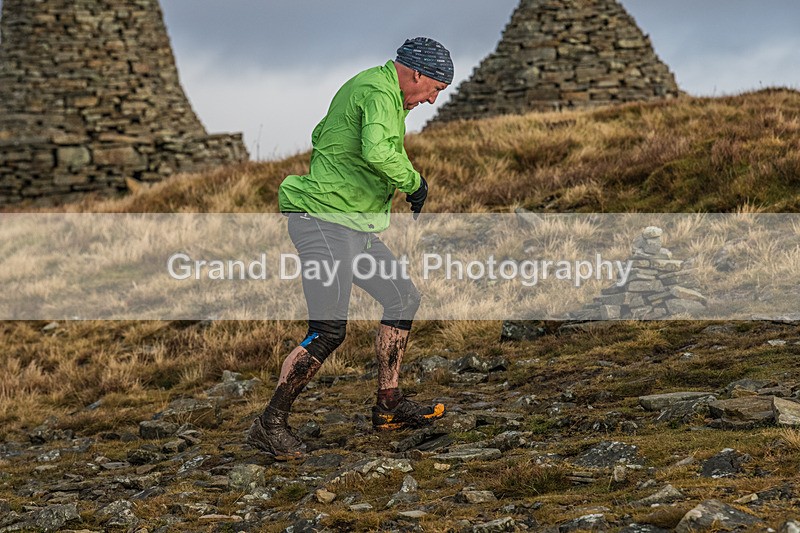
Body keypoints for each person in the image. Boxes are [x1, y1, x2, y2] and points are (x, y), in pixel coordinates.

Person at [247, 38, 455, 460]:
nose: (432, 99)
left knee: (403, 297)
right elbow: (377, 150)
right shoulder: (377, 91)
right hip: (324, 222)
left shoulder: (381, 92)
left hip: (352, 226)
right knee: (327, 330)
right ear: (416, 73)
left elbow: (329, 135)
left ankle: (389, 405)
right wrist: (414, 183)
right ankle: (270, 425)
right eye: (434, 88)